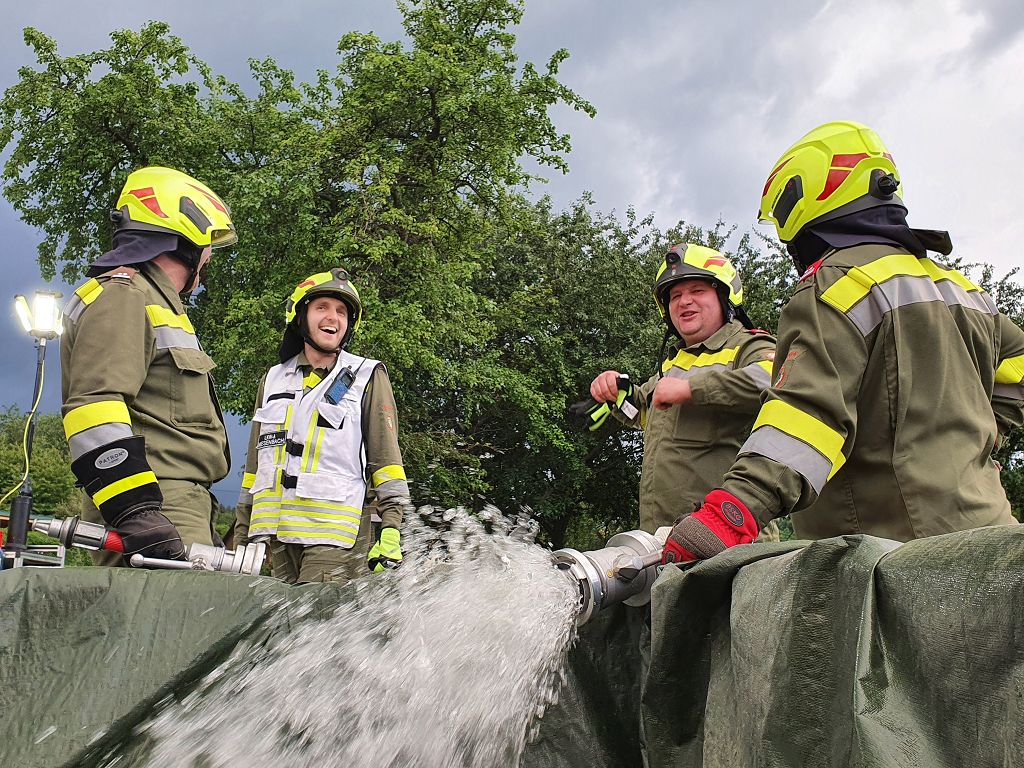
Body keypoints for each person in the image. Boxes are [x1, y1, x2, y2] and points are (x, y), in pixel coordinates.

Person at [662, 120, 1024, 564]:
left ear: (807, 196)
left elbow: (805, 413)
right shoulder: (963, 290)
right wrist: (985, 440)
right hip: (993, 537)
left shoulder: (838, 284)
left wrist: (730, 515)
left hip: (892, 556)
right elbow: (1018, 369)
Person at [60, 166, 236, 565]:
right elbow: (94, 406)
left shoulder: (155, 301)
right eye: (208, 242)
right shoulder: (125, 295)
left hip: (176, 505)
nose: (209, 256)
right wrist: (134, 509)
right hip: (156, 505)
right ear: (184, 232)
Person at [585, 243, 779, 539]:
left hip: (732, 540)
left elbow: (775, 381)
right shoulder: (675, 363)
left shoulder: (751, 346)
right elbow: (643, 411)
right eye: (675, 295)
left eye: (697, 291)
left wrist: (692, 389)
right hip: (664, 540)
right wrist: (617, 391)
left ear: (724, 296)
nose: (684, 301)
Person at [233, 268, 410, 584]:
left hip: (335, 538)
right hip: (277, 536)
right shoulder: (272, 379)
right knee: (284, 628)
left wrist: (392, 527)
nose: (333, 317)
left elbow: (387, 462)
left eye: (342, 312)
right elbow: (255, 465)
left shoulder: (367, 376)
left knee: (316, 624)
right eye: (322, 308)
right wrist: (243, 532)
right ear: (300, 317)